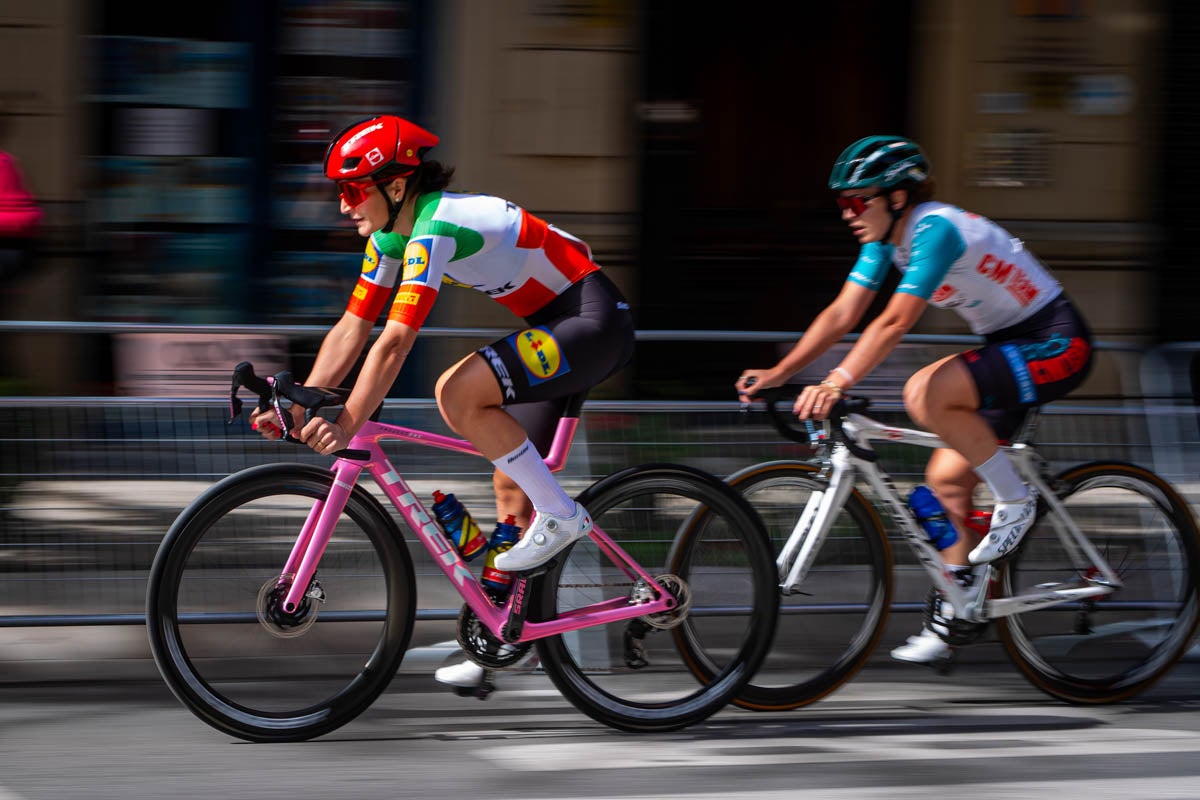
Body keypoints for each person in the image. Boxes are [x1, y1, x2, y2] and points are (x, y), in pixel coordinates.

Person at [250, 115, 635, 688]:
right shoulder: (390, 239)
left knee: (456, 392)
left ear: (396, 186)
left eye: (353, 191)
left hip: (589, 320)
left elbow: (397, 340)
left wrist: (350, 418)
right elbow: (354, 327)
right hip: (558, 322)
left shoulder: (436, 226)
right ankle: (502, 640)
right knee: (512, 485)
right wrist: (303, 402)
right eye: (340, 193)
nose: (343, 207)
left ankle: (563, 517)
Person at [735, 135, 1093, 665]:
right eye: (843, 205)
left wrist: (835, 382)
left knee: (924, 392)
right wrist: (780, 372)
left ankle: (1017, 499)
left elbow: (896, 320)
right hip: (1010, 348)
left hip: (1057, 341)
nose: (848, 214)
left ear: (897, 198)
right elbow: (843, 314)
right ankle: (961, 609)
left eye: (858, 202)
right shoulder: (886, 241)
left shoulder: (935, 229)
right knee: (945, 484)